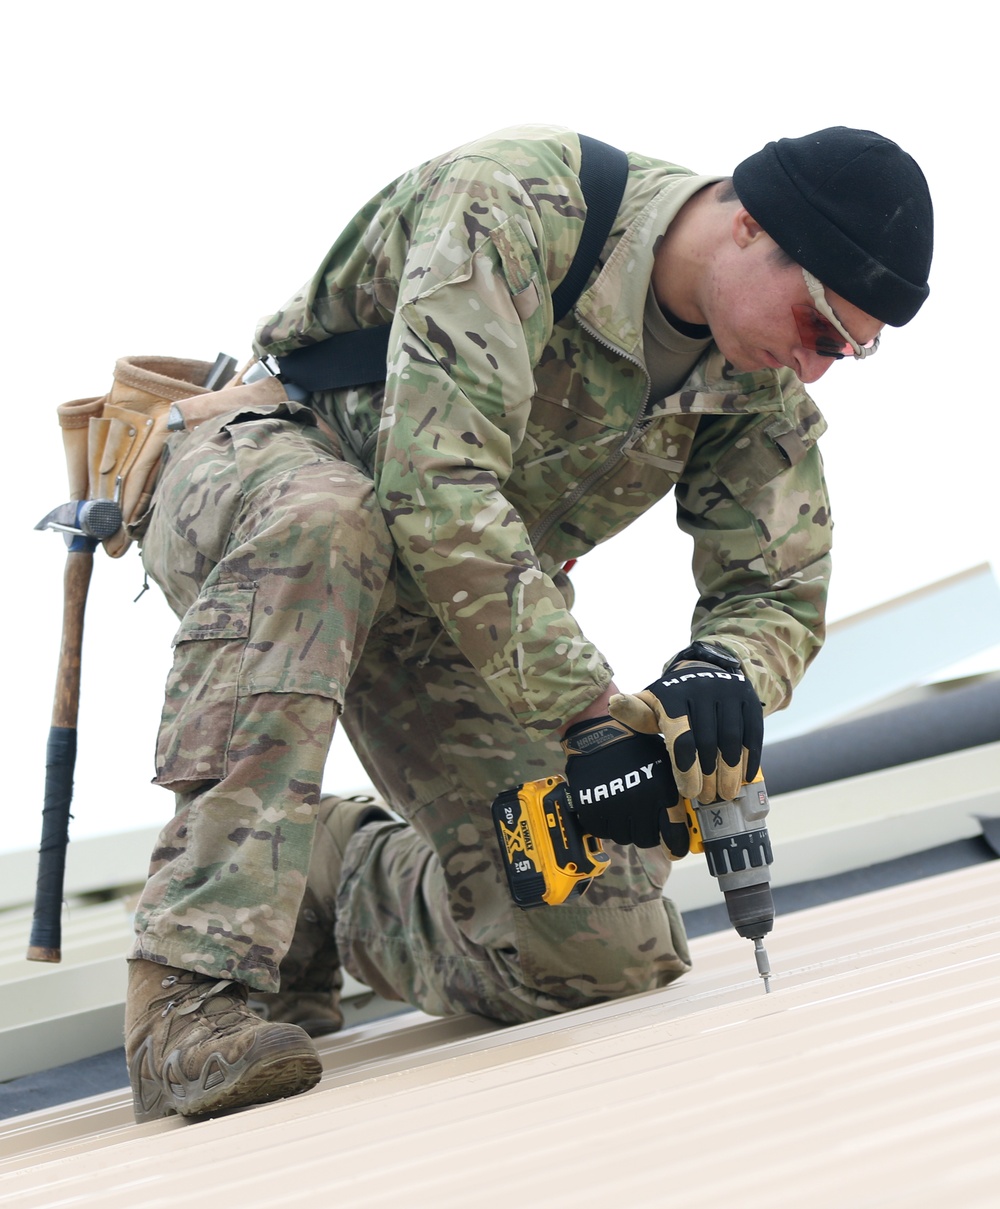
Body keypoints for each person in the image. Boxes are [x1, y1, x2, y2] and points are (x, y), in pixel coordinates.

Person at [123, 123, 933, 1121]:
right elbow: (437, 484)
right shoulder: (513, 206)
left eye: (849, 351)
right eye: (818, 326)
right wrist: (588, 715)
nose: (814, 368)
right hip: (271, 487)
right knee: (329, 523)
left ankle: (316, 882)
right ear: (746, 224)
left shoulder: (751, 374)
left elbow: (775, 587)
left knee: (597, 949)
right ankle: (189, 991)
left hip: (451, 602)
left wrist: (721, 675)